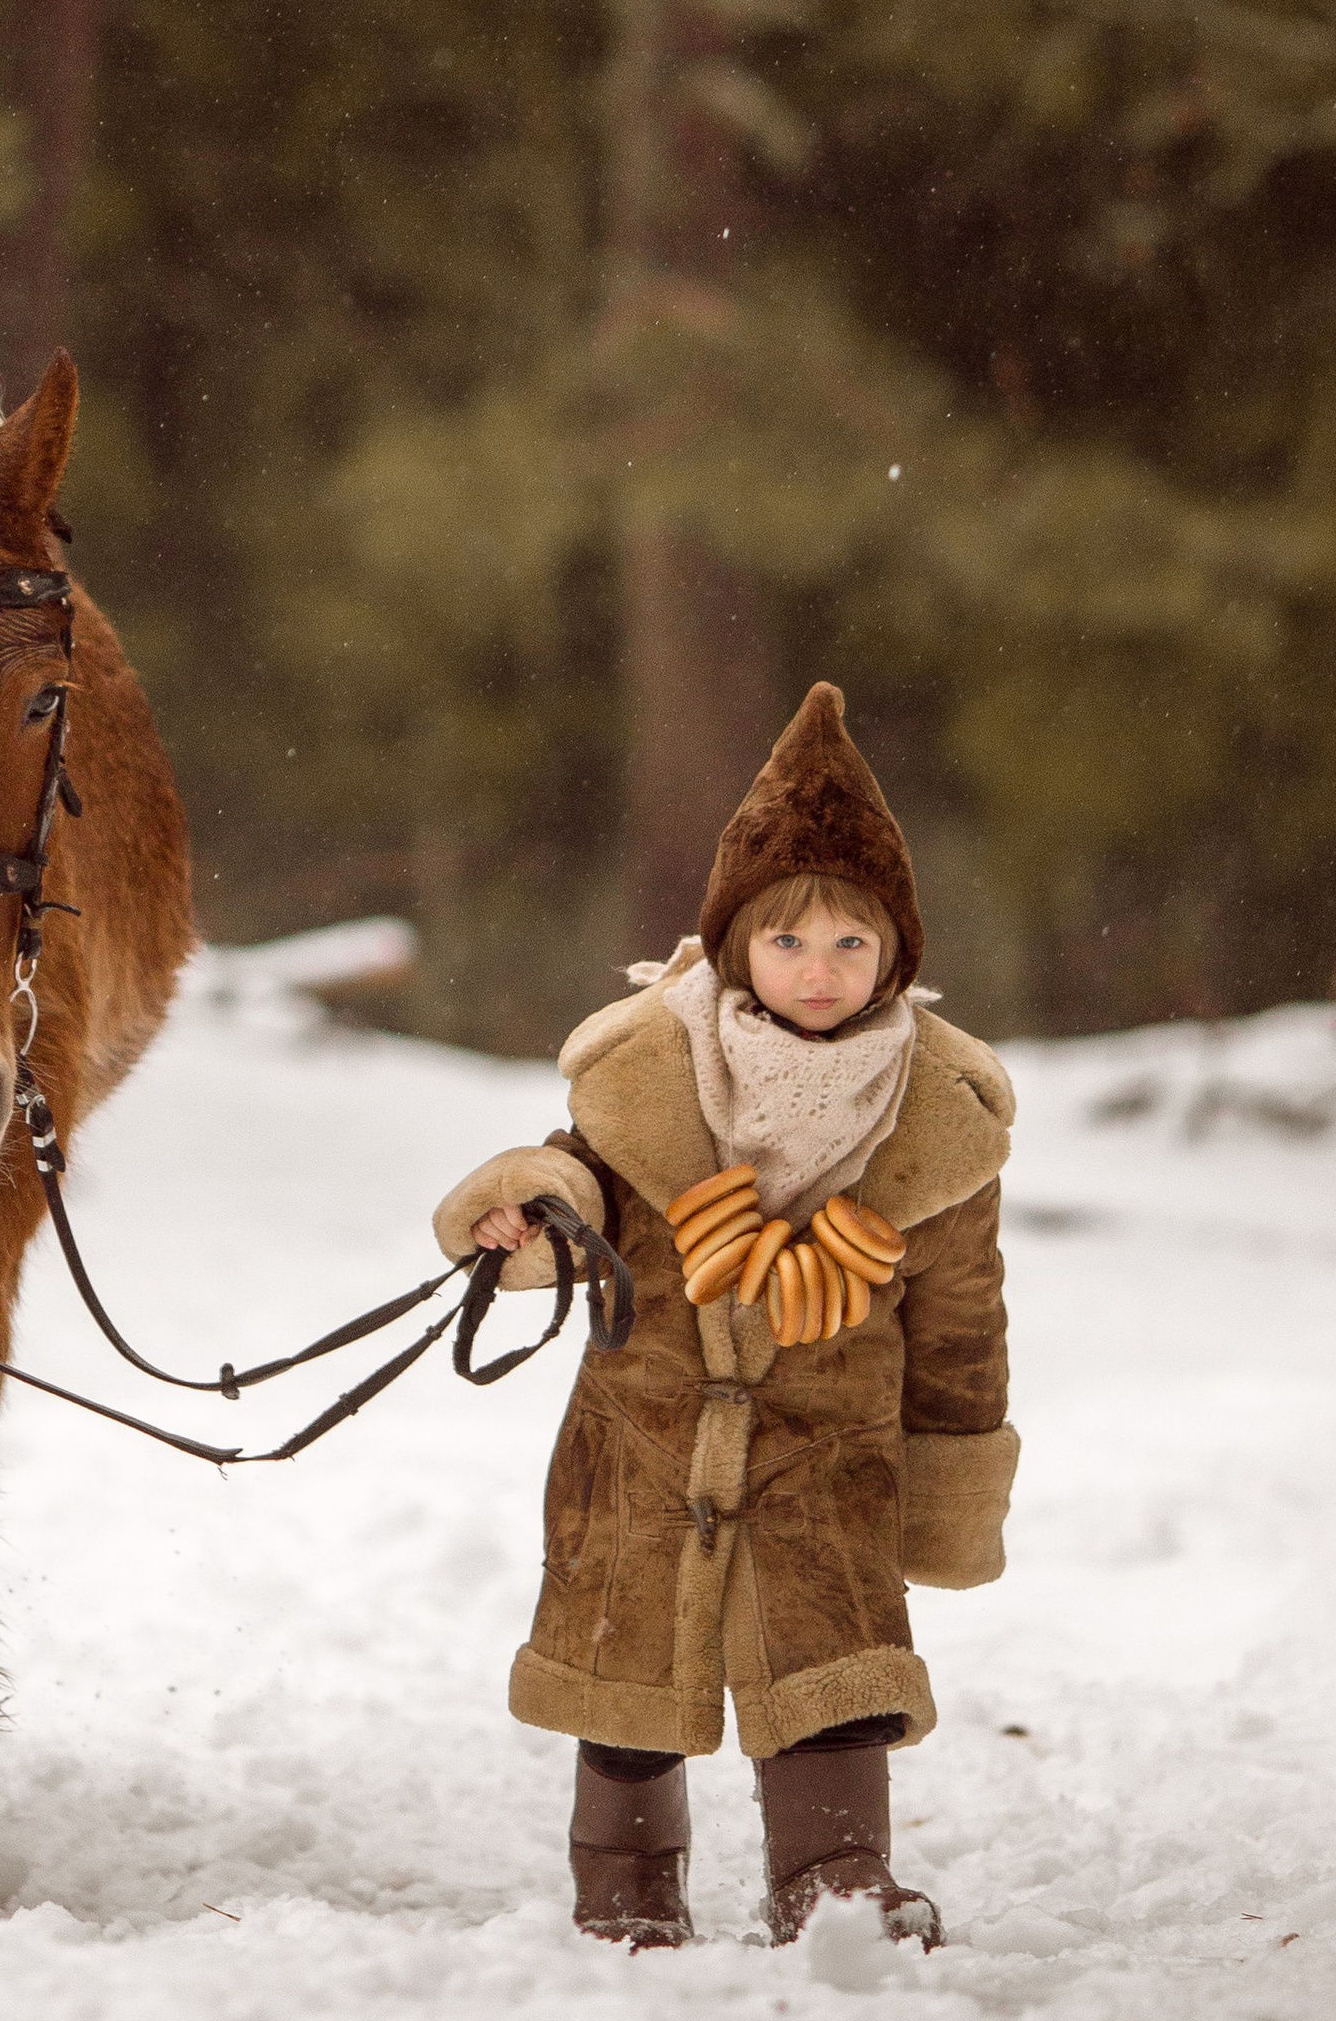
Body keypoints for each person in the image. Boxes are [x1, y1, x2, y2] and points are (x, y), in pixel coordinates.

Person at [433, 684, 1016, 1949]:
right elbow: (578, 1177)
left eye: (851, 947)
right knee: (630, 1678)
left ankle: (835, 1880)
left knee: (834, 1670)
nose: (819, 972)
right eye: (790, 944)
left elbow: (963, 1318)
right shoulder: (647, 1079)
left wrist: (950, 1475)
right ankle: (626, 1884)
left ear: (896, 959)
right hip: (641, 1438)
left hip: (829, 1447)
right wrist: (529, 1211)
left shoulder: (935, 1131)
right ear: (735, 948)